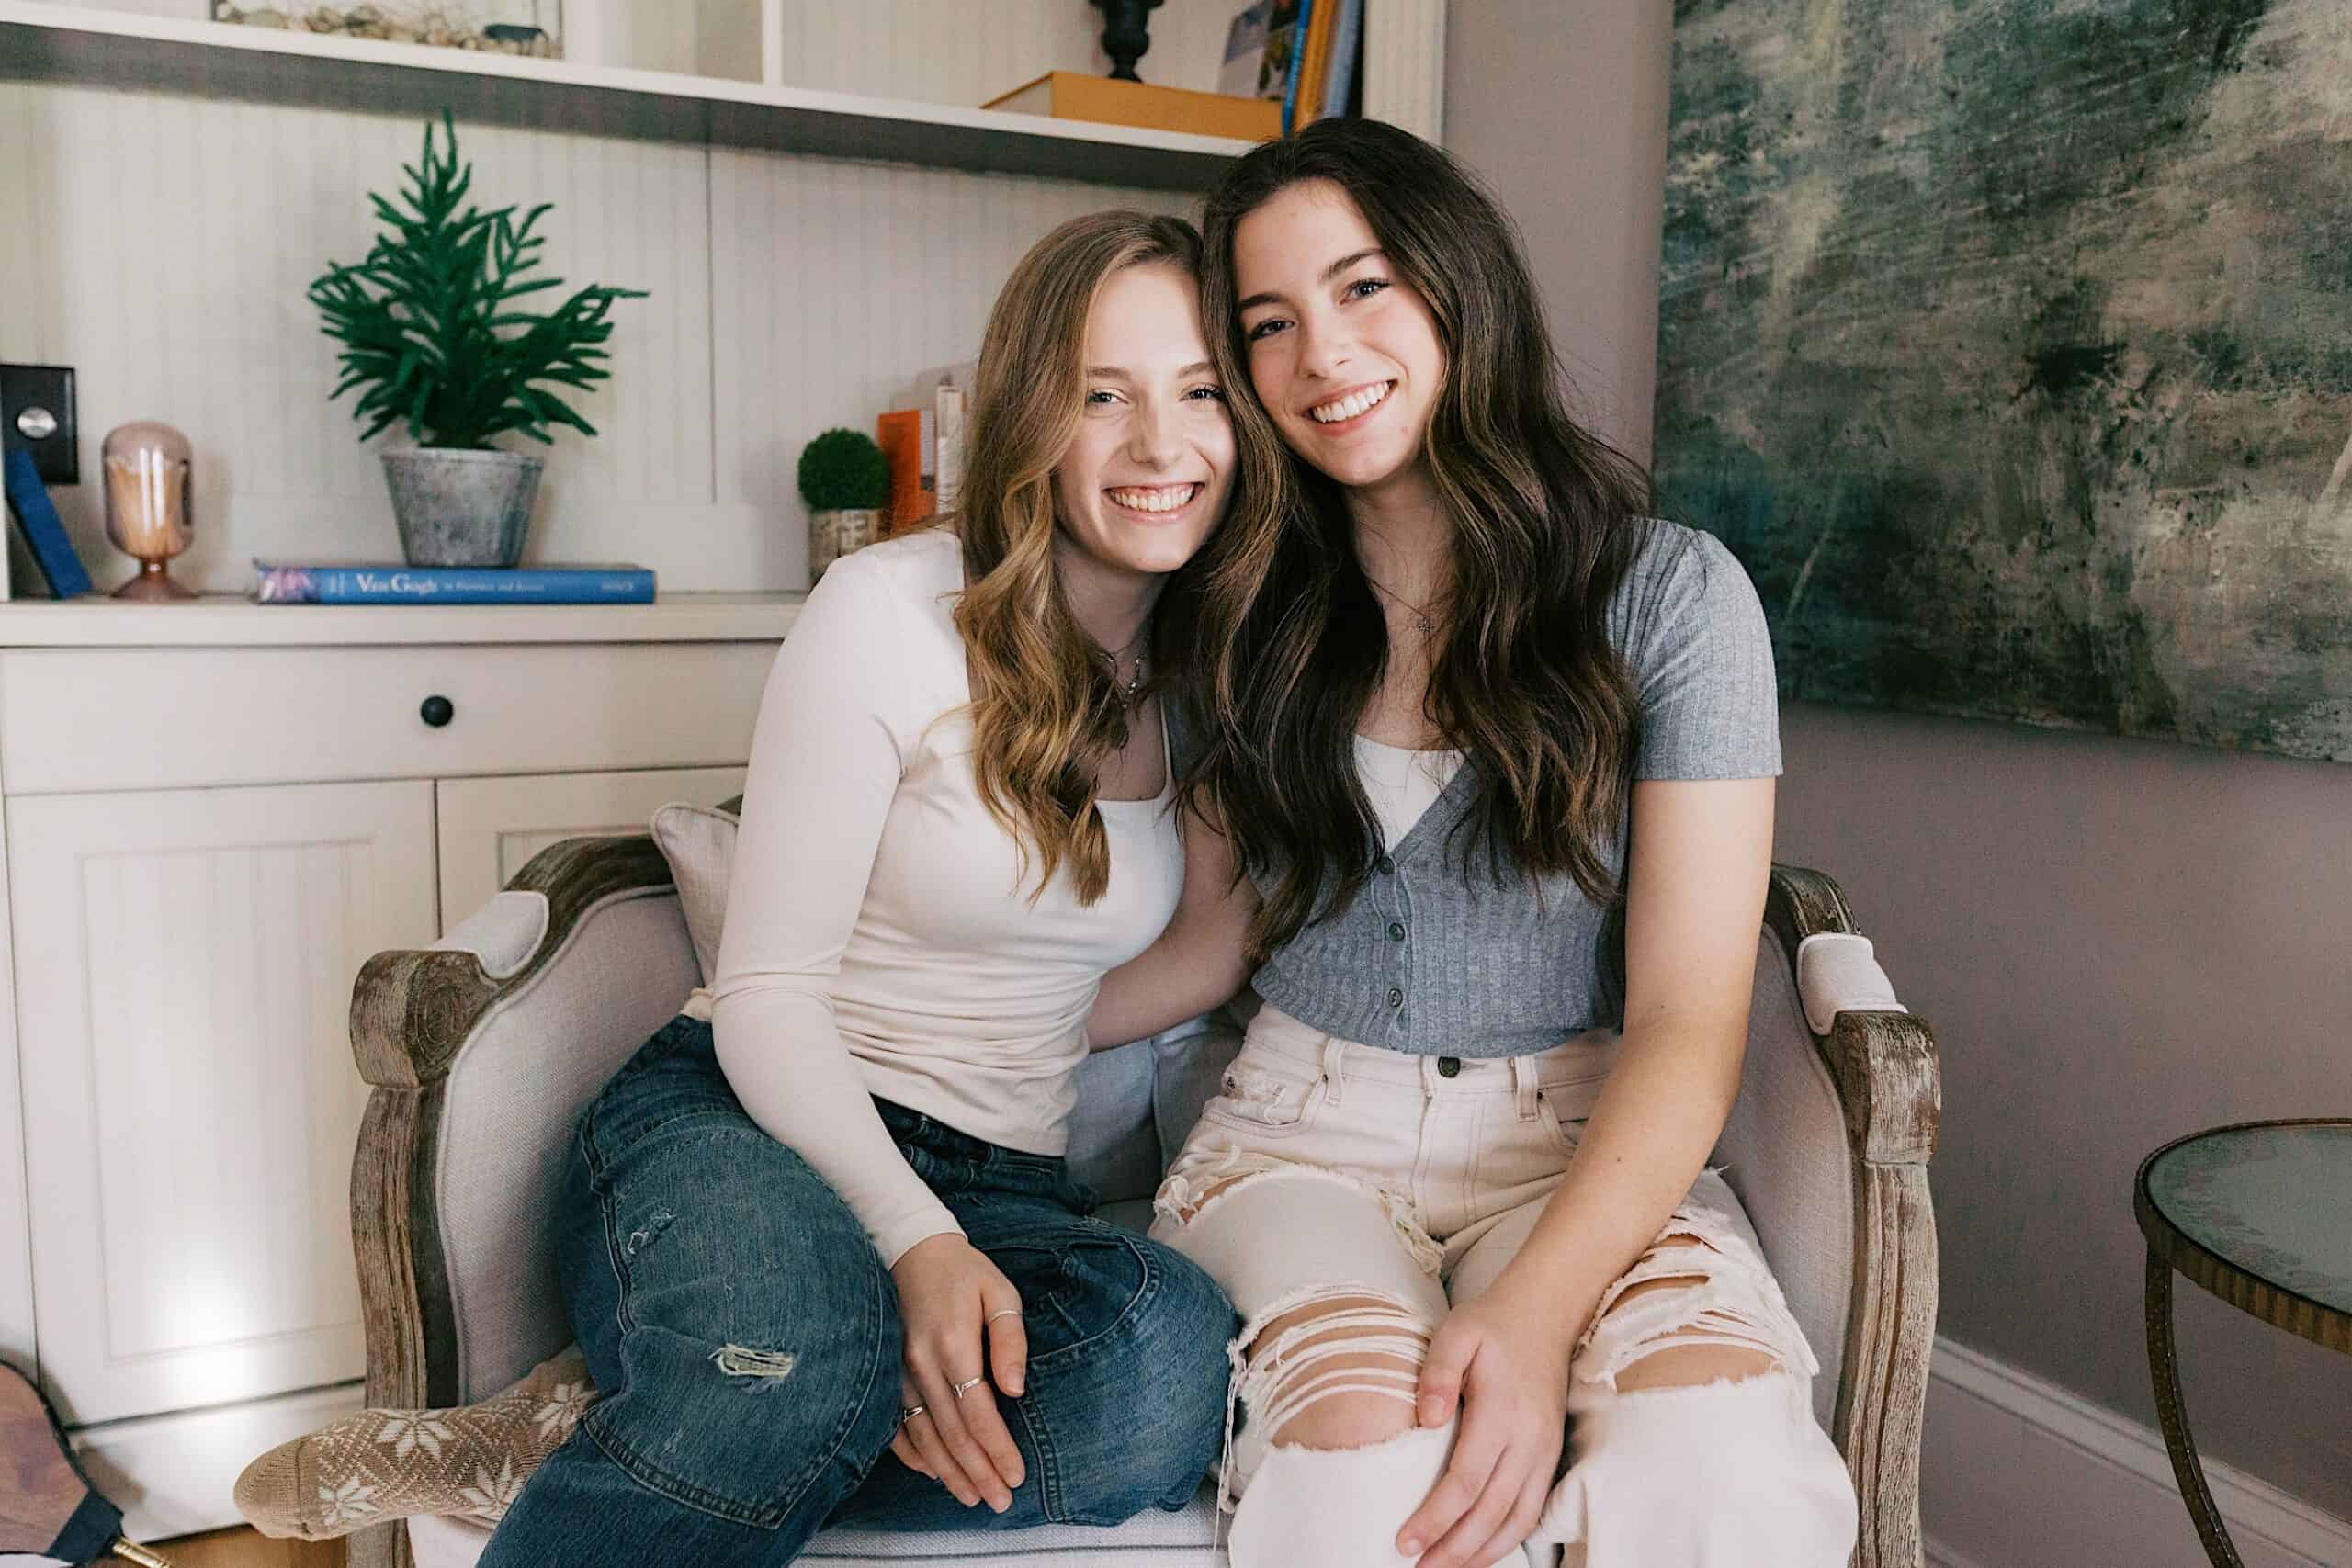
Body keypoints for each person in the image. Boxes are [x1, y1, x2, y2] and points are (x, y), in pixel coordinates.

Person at [1088, 121, 1859, 1568]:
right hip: (1297, 1153)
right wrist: (946, 1026)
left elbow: (1694, 1021)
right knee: (1366, 1493)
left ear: (1458, 285)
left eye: (1364, 287)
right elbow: (1208, 943)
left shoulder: (1674, 597)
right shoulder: (1240, 616)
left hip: (1577, 1137)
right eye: (1269, 324)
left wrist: (1536, 1310)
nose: (1322, 354)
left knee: (1725, 1476)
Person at [481, 209, 1242, 1567]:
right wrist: (914, 1245)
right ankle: (760, 1385)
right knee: (793, 1348)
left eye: (1200, 394)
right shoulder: (889, 610)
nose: (1157, 446)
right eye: (1103, 396)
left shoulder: (1215, 677)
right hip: (749, 1122)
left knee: (1164, 1370)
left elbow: (1199, 954)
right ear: (1030, 415)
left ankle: (653, 1426)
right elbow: (768, 992)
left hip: (1010, 1179)